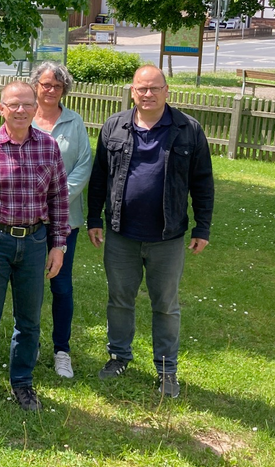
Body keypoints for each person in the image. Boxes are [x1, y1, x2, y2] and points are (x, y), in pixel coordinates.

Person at [87, 64, 214, 398]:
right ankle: (118, 356)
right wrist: (94, 220)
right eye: (141, 88)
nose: (147, 94)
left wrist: (203, 226)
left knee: (166, 305)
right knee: (119, 300)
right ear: (132, 91)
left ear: (166, 90)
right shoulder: (114, 126)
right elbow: (99, 176)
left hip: (167, 237)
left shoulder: (188, 129)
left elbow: (202, 182)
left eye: (154, 88)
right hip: (121, 234)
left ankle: (166, 370)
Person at [0, 81, 70, 412]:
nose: (20, 110)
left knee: (29, 319)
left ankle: (22, 383)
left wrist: (58, 245)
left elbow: (59, 198)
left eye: (26, 104)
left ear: (36, 108)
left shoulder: (49, 147)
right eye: (14, 105)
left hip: (36, 242)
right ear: (2, 108)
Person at [29, 62, 92, 379]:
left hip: (66, 219)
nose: (50, 90)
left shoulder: (74, 122)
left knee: (61, 286)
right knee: (30, 286)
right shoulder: (25, 118)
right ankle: (29, 343)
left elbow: (83, 166)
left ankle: (61, 350)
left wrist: (54, 199)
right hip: (29, 218)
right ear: (36, 86)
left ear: (63, 89)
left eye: (56, 85)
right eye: (45, 84)